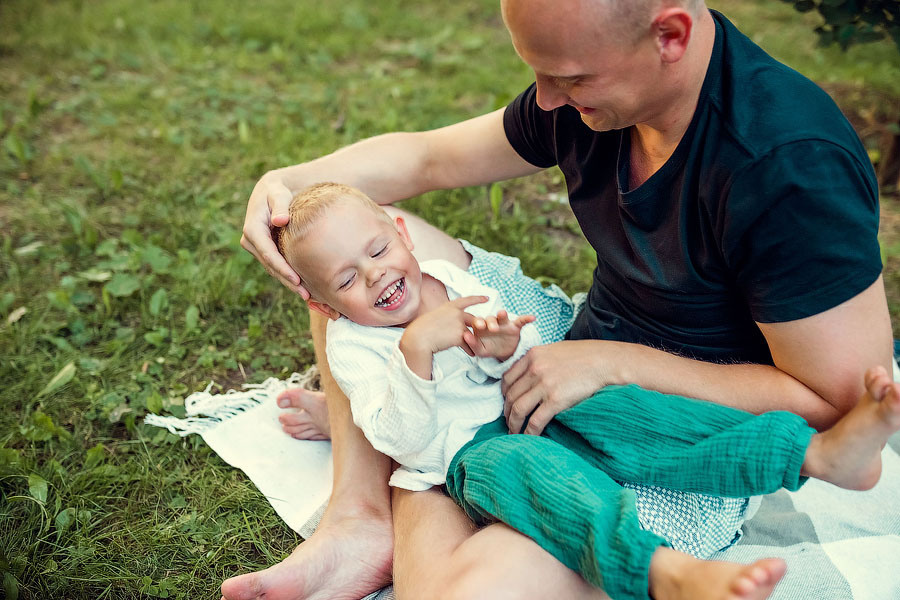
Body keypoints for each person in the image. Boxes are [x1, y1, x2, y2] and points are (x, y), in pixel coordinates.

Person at [223, 1, 893, 599]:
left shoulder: (788, 168)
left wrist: (614, 364)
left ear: (670, 34)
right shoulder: (594, 94)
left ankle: (415, 438)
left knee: (465, 589)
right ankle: (359, 514)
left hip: (692, 406)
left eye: (570, 79)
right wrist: (285, 186)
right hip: (566, 340)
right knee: (340, 256)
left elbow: (836, 400)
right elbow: (429, 160)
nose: (544, 102)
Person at [267, 181, 899, 600]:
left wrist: (499, 346)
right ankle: (657, 568)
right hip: (472, 452)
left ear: (402, 235)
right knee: (552, 484)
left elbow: (504, 355)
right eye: (348, 279)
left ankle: (811, 455)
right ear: (326, 303)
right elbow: (400, 439)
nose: (377, 275)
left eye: (378, 251)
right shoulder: (361, 343)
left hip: (525, 395)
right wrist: (416, 352)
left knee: (644, 420)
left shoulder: (435, 275)